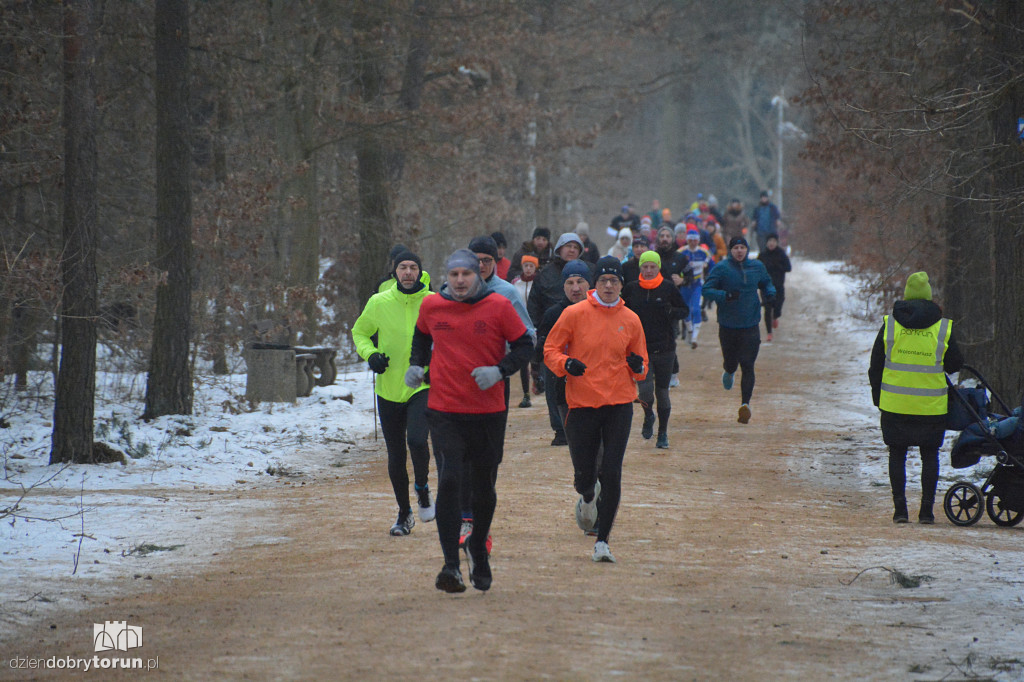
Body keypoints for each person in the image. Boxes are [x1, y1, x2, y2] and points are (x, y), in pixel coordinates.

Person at [408, 249, 532, 593]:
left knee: (482, 487)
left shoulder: (498, 307)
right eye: (453, 275)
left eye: (466, 274)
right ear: (445, 278)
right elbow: (421, 336)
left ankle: (477, 546)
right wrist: (416, 364)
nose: (459, 281)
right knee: (449, 480)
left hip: (488, 412)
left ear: (477, 275)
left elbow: (524, 346)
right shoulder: (432, 307)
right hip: (444, 408)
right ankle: (450, 565)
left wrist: (500, 371)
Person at [544, 256, 648, 564]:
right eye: (602, 280)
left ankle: (602, 540)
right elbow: (551, 350)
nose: (608, 286)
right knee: (585, 475)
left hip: (618, 403)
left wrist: (638, 366)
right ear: (594, 284)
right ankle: (587, 495)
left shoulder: (631, 319)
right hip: (582, 404)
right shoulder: (574, 314)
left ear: (620, 285)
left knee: (612, 472)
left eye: (613, 281)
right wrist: (566, 364)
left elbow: (641, 363)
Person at [868, 272, 964, 524]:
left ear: (906, 296)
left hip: (895, 404)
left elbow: (875, 366)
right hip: (931, 406)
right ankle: (926, 511)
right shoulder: (942, 327)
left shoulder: (891, 325)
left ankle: (900, 510)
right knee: (930, 455)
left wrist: (878, 397)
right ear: (929, 296)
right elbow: (955, 364)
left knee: (897, 454)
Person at [352, 249, 435, 536]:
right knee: (396, 455)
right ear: (395, 272)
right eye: (403, 267)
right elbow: (359, 332)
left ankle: (422, 487)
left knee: (416, 439)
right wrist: (371, 354)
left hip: (422, 384)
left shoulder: (433, 302)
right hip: (388, 388)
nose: (408, 272)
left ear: (420, 271)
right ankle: (404, 513)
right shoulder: (379, 302)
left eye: (413, 267)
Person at [702, 237, 776, 424]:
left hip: (750, 324)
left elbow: (767, 282)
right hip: (728, 325)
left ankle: (745, 405)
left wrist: (770, 293)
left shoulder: (756, 266)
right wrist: (724, 295)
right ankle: (728, 371)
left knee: (748, 364)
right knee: (731, 362)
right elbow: (706, 289)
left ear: (747, 249)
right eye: (736, 248)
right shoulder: (722, 268)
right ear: (730, 250)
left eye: (743, 247)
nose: (739, 251)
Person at [528, 232, 592, 445]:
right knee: (554, 383)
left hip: (584, 335)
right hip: (551, 328)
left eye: (576, 246)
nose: (571, 250)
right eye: (567, 246)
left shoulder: (588, 269)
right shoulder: (545, 273)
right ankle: (560, 429)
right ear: (559, 249)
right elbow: (534, 301)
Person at [622, 251, 688, 449]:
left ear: (658, 268)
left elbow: (684, 311)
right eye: (645, 267)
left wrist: (671, 311)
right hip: (640, 350)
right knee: (645, 392)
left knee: (663, 393)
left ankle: (663, 433)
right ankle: (648, 415)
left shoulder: (668, 287)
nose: (649, 270)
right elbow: (619, 310)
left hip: (665, 349)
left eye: (653, 267)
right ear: (640, 268)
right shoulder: (632, 289)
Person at [672, 229, 711, 350]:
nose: (693, 242)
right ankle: (689, 330)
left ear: (698, 240)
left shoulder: (704, 252)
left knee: (696, 309)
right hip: (684, 284)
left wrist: (707, 268)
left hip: (697, 284)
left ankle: (694, 338)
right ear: (687, 240)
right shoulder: (681, 252)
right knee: (686, 310)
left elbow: (712, 264)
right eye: (690, 240)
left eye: (695, 240)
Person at [512, 255, 540, 407]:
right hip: (520, 325)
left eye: (531, 266)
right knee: (524, 361)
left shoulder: (539, 283)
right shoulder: (516, 284)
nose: (528, 269)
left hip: (536, 323)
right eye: (526, 266)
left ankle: (538, 380)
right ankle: (526, 395)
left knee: (536, 358)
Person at [756, 233, 792, 343]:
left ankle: (776, 316)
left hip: (778, 286)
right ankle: (769, 333)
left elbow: (788, 268)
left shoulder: (781, 254)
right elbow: (756, 269)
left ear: (777, 243)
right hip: (765, 286)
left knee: (778, 306)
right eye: (769, 241)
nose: (771, 243)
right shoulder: (762, 255)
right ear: (766, 243)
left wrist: (778, 266)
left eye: (773, 241)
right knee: (767, 308)